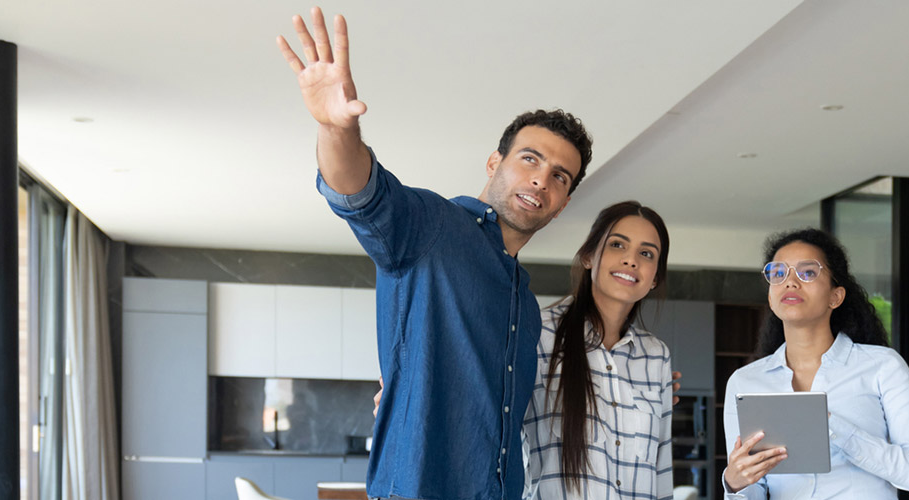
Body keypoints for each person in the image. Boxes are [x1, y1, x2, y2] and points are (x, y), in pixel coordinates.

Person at [277, 7, 592, 500]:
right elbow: (360, 194)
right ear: (495, 162)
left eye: (559, 176)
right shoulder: (432, 226)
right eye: (530, 159)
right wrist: (336, 129)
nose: (541, 179)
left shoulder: (526, 305)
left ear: (564, 203)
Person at [720, 228, 909, 499]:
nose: (790, 282)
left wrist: (837, 430)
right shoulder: (745, 382)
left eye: (807, 272)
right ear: (770, 298)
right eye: (778, 273)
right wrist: (735, 483)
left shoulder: (883, 367)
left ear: (836, 296)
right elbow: (754, 489)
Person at [524, 201, 675, 499]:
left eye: (646, 254)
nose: (631, 260)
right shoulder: (536, 334)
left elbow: (662, 471)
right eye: (618, 245)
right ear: (589, 256)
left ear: (655, 277)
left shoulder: (657, 356)